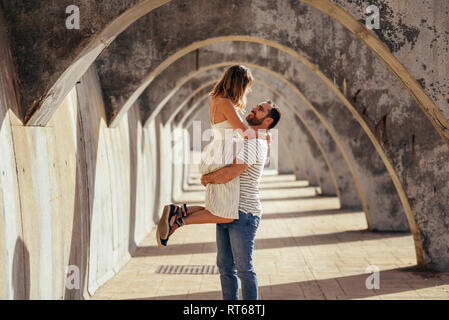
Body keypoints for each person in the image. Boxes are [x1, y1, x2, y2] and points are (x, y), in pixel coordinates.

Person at [156, 64, 262, 247]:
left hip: (218, 154)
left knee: (217, 209)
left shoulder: (216, 99)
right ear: (239, 84)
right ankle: (178, 218)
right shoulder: (226, 103)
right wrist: (264, 136)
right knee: (225, 215)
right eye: (246, 86)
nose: (247, 91)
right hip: (222, 157)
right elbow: (245, 133)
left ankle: (179, 212)